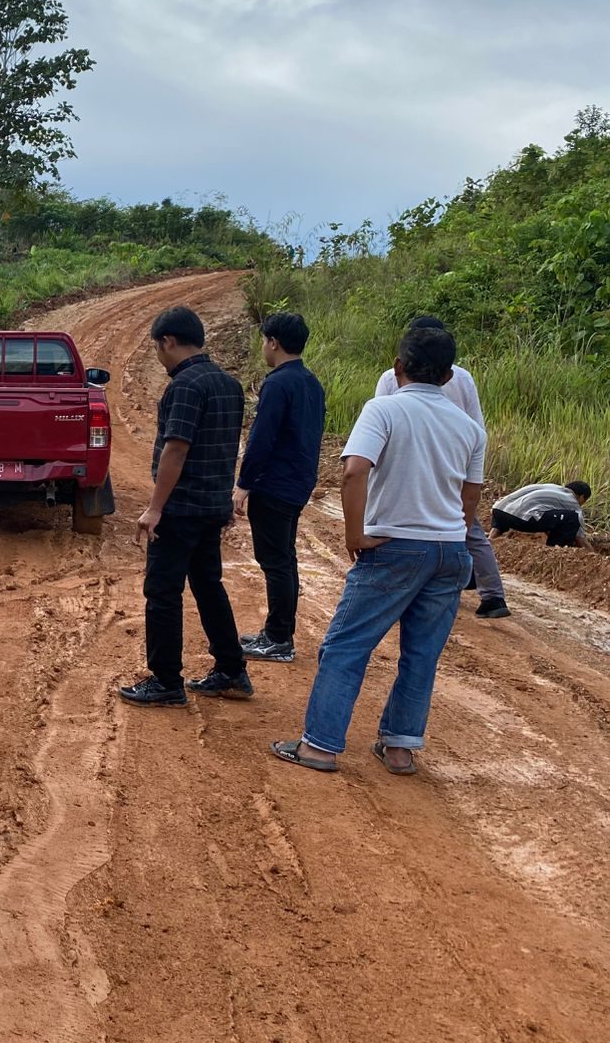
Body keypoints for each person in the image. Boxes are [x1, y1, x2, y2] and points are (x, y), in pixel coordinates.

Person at [271, 326, 484, 776]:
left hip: (393, 546)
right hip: (449, 551)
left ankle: (319, 747)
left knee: (346, 647)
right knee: (421, 655)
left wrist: (355, 534)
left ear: (398, 367)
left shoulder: (383, 409)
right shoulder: (468, 427)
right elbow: (470, 497)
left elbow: (354, 471)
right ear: (449, 377)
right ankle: (400, 749)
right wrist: (452, 536)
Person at [120, 306, 252, 707]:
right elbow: (227, 447)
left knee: (162, 591)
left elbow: (176, 449)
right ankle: (232, 670)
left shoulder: (185, 386)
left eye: (158, 348)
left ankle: (165, 682)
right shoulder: (228, 384)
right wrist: (224, 497)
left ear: (169, 341)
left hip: (180, 509)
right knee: (208, 586)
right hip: (212, 505)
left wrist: (155, 508)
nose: (159, 357)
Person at [373, 315, 509, 619]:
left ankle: (406, 591)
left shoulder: (390, 377)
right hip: (456, 462)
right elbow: (477, 425)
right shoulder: (461, 376)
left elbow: (381, 425)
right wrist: (472, 467)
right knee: (467, 527)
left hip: (413, 462)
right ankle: (492, 595)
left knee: (404, 527)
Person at [235, 312, 326, 664]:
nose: (263, 347)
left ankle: (277, 639)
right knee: (285, 559)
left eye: (264, 340)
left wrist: (243, 484)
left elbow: (262, 438)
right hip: (298, 482)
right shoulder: (310, 383)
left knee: (275, 562)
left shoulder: (277, 383)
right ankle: (277, 632)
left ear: (273, 342)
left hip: (274, 484)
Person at [491, 480, 595, 550]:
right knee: (572, 517)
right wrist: (593, 554)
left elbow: (547, 521)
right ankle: (555, 550)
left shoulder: (552, 488)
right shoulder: (573, 502)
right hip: (521, 518)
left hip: (498, 510)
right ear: (582, 497)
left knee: (540, 512)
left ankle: (492, 539)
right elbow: (580, 538)